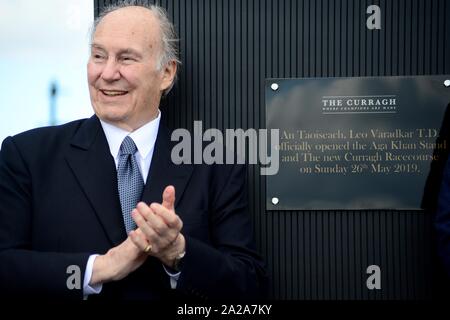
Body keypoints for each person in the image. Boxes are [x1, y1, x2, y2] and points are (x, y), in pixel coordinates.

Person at [0, 2, 267, 300]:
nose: (108, 73)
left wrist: (178, 252)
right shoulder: (27, 156)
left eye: (126, 58)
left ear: (166, 73)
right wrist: (95, 269)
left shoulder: (215, 163)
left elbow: (248, 288)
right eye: (99, 56)